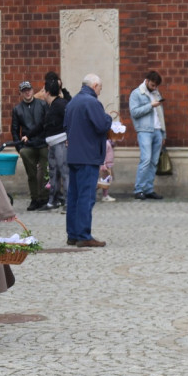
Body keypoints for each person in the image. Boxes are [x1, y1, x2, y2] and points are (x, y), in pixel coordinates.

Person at [64, 74, 112, 247]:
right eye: (100, 88)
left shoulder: (72, 102)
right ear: (95, 85)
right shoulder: (92, 102)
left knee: (74, 196)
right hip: (88, 155)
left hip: (74, 155)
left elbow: (66, 126)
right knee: (86, 196)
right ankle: (84, 236)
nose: (100, 91)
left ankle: (73, 234)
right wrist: (108, 118)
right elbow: (102, 125)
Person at [128, 71, 166, 200]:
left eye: (156, 86)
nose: (155, 87)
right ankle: (138, 189)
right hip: (144, 130)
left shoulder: (156, 93)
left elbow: (160, 114)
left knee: (154, 161)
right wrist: (150, 105)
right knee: (146, 160)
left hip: (157, 130)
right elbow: (134, 112)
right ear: (147, 80)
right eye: (153, 85)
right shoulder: (136, 93)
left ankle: (149, 189)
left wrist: (163, 133)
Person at [11, 80, 48, 211]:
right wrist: (19, 149)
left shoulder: (43, 105)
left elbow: (47, 124)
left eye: (29, 89)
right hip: (28, 145)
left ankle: (45, 198)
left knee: (45, 171)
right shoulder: (17, 109)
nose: (27, 92)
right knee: (31, 174)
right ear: (20, 93)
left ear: (33, 90)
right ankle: (35, 198)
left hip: (43, 142)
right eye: (24, 90)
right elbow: (14, 130)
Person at [38, 74, 70, 211]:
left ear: (47, 92)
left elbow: (70, 120)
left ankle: (69, 202)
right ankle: (53, 200)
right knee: (53, 173)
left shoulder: (60, 104)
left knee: (64, 172)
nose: (41, 94)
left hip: (61, 143)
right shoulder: (52, 105)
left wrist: (70, 137)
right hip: (52, 143)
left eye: (43, 91)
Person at [96, 137, 115, 202]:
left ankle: (105, 195)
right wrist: (103, 164)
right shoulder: (105, 143)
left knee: (106, 182)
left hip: (108, 164)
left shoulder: (107, 142)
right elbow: (102, 154)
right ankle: (104, 195)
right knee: (101, 182)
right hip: (105, 165)